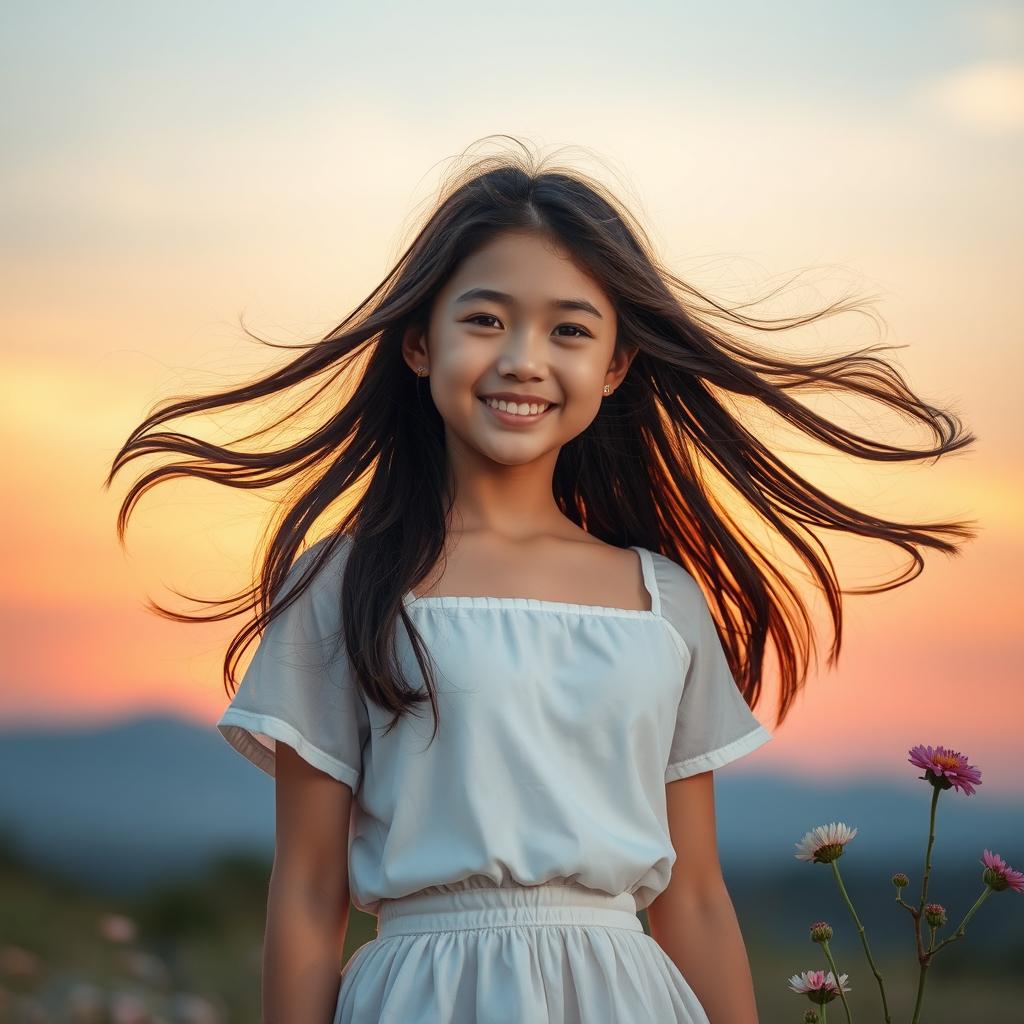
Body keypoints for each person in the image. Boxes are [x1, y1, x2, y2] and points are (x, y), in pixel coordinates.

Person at [109, 138, 975, 1023]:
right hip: (419, 995)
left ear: (615, 365)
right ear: (418, 341)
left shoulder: (661, 600)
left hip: (625, 996)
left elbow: (696, 900)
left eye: (569, 329)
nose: (524, 359)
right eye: (485, 319)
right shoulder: (346, 581)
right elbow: (305, 890)